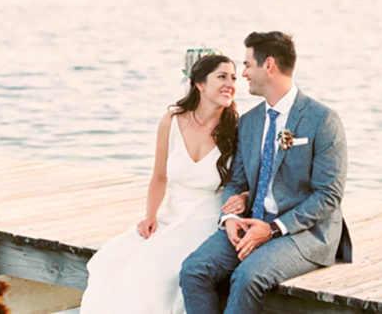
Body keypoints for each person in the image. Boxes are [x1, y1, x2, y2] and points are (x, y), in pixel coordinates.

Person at [179, 31, 352, 314]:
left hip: (302, 232)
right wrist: (231, 218)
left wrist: (272, 228)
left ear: (268, 65)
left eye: (247, 65)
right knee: (193, 271)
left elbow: (328, 195)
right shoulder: (250, 122)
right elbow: (237, 180)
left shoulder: (323, 120)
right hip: (251, 222)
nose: (243, 74)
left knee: (247, 277)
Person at [80, 54, 249, 314]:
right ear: (200, 84)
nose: (230, 83)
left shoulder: (237, 129)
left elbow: (249, 181)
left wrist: (245, 198)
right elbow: (159, 176)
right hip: (171, 214)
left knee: (150, 266)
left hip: (206, 220)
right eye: (222, 76)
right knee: (110, 259)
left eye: (234, 78)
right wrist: (150, 215)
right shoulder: (171, 121)